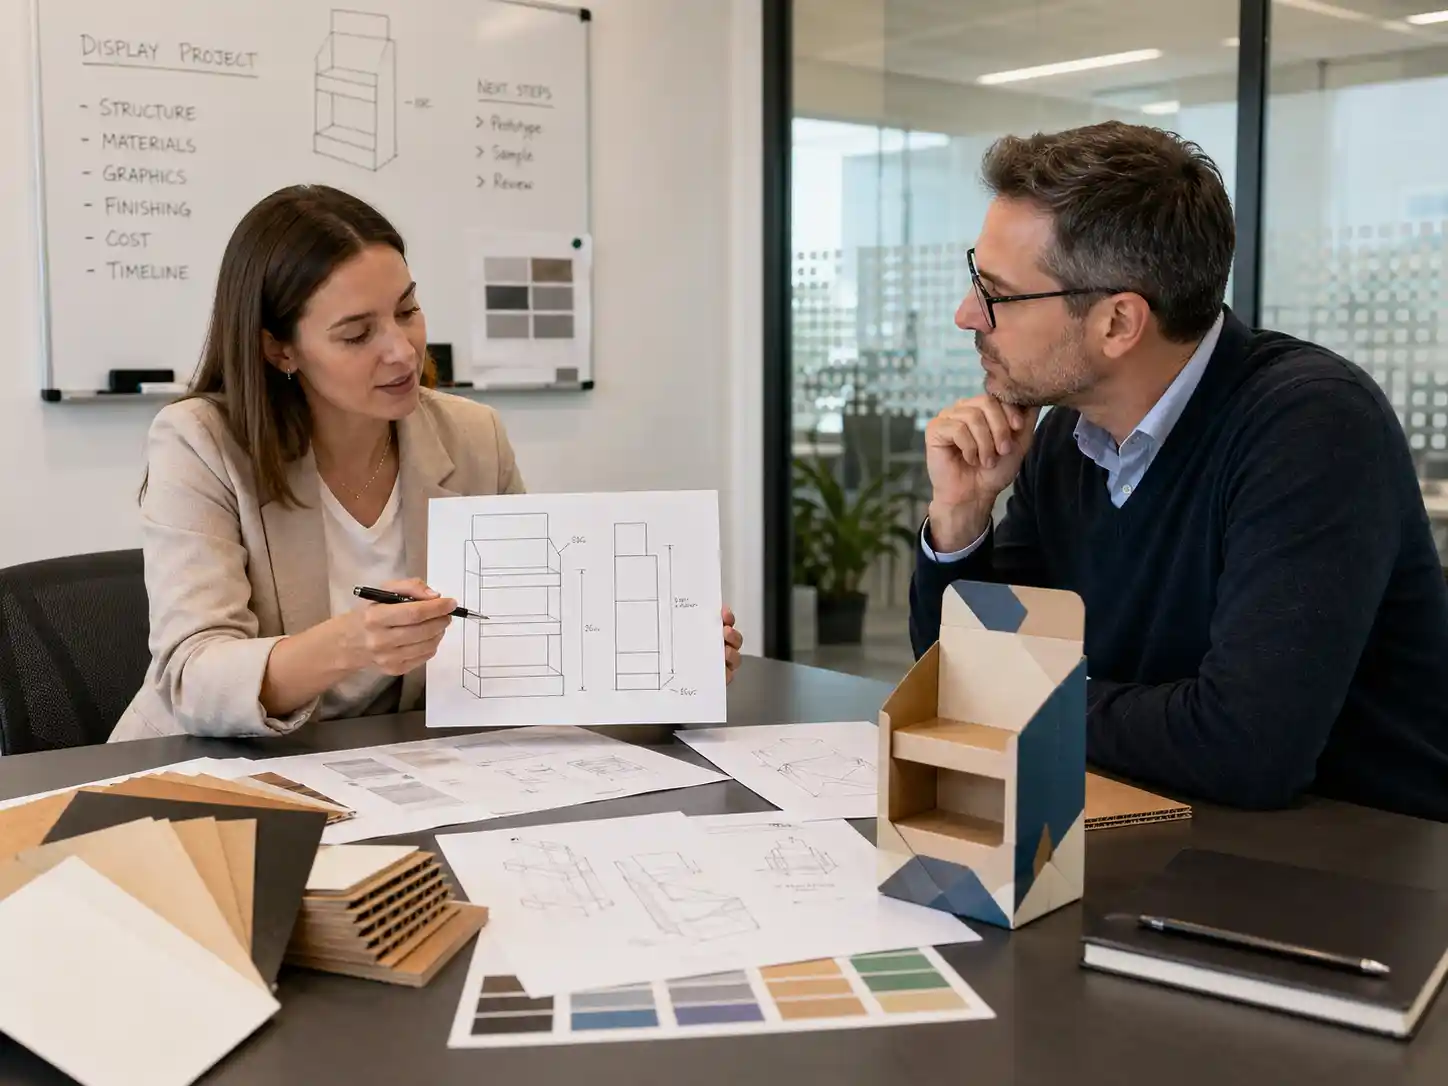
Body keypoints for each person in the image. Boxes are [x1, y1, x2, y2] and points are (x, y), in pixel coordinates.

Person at [911, 121, 1448, 822]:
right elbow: (957, 675)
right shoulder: (1068, 432)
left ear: (1117, 325)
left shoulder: (1310, 425)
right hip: (1158, 823)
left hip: (1353, 864)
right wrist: (962, 517)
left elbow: (1246, 747)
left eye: (995, 294)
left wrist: (1017, 693)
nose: (965, 315)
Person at [109, 185, 743, 742]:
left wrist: (670, 669)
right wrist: (350, 645)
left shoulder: (472, 437)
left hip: (399, 771)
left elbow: (524, 648)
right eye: (357, 335)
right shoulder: (202, 443)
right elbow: (191, 676)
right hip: (215, 769)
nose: (402, 351)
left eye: (408, 311)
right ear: (279, 349)